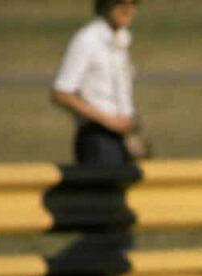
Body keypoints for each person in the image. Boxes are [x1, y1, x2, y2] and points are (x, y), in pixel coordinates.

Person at [51, 0, 144, 165]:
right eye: (120, 3)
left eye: (133, 3)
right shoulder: (88, 40)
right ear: (105, 5)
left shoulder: (122, 39)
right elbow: (62, 93)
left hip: (123, 138)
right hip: (98, 139)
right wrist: (110, 121)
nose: (128, 9)